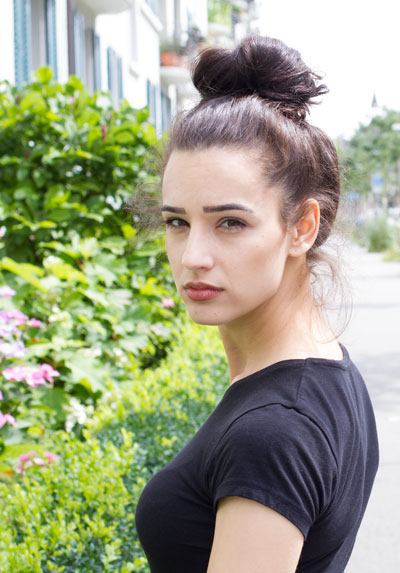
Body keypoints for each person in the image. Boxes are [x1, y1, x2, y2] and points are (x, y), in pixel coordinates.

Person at [133, 35, 379, 572]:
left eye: (230, 222)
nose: (192, 256)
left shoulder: (275, 431)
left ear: (302, 227)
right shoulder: (327, 370)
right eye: (177, 222)